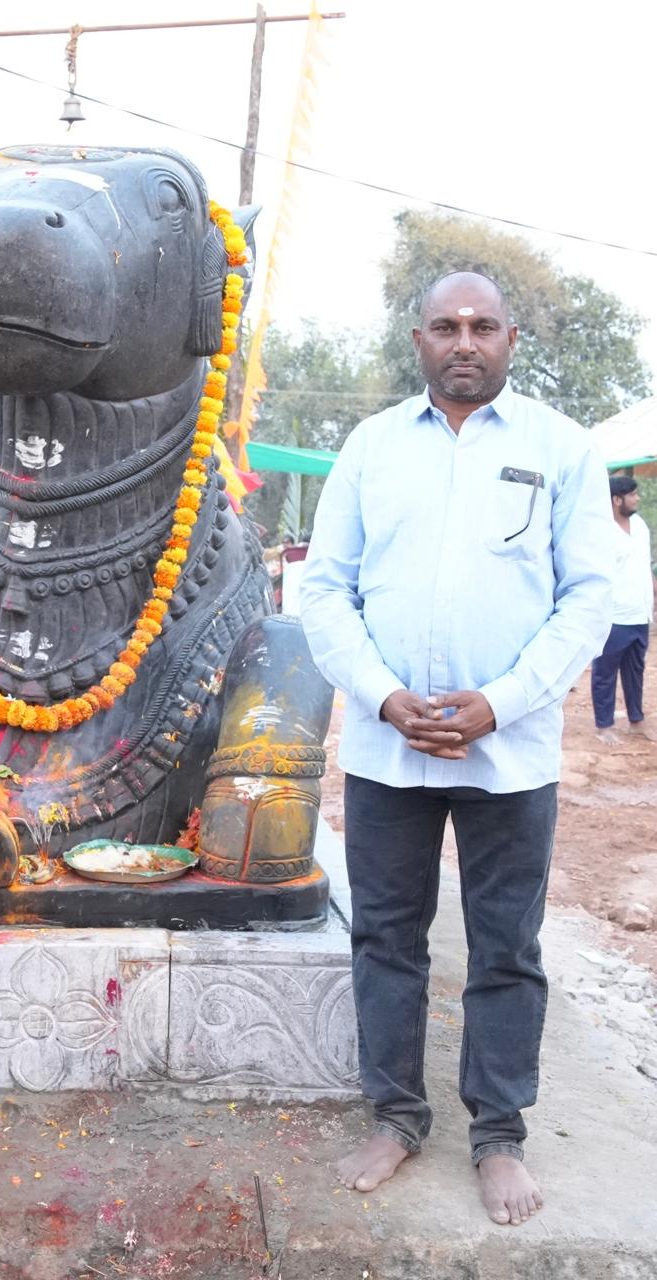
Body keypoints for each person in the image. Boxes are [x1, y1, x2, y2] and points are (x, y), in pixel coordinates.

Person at [299, 271, 615, 1226]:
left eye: (483, 326)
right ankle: (395, 1116)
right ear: (418, 338)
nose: (464, 340)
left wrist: (501, 705)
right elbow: (325, 589)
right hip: (390, 752)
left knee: (506, 947)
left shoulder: (562, 447)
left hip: (509, 754)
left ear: (512, 339)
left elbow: (587, 596)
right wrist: (389, 701)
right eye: (446, 326)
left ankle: (499, 1135)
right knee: (387, 937)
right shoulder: (371, 446)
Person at [592, 475, 655, 744]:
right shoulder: (601, 531)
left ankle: (636, 721)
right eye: (632, 494)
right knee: (605, 673)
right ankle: (604, 726)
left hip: (640, 614)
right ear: (617, 500)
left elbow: (643, 565)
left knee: (635, 671)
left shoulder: (640, 525)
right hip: (614, 616)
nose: (637, 498)